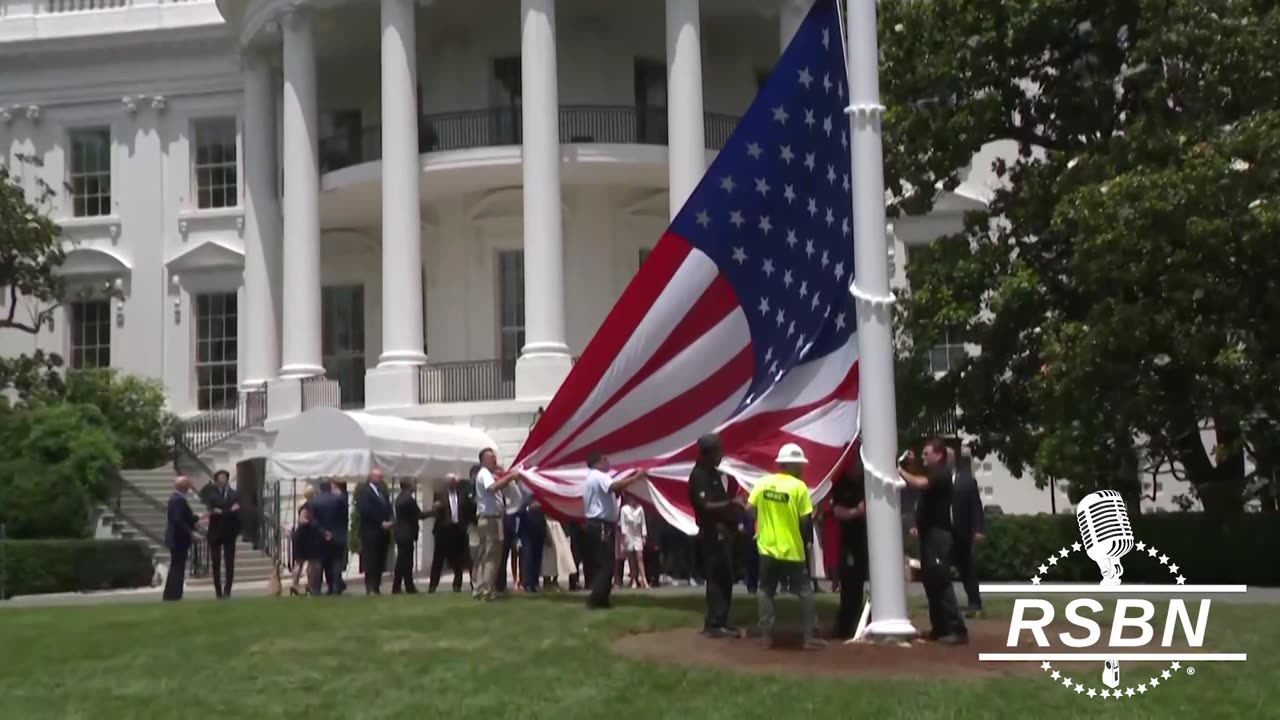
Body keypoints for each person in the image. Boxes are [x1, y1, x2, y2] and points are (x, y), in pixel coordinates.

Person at [748, 443, 825, 650]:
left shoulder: (763, 483)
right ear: (790, 465)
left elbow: (749, 508)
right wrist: (805, 539)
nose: (802, 468)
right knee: (804, 591)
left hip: (766, 547)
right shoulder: (798, 487)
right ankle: (809, 636)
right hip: (791, 548)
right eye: (799, 464)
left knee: (766, 591)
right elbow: (805, 520)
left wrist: (763, 524)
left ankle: (766, 636)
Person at [899, 438, 968, 644]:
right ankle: (939, 628)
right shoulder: (935, 473)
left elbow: (920, 482)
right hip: (929, 535)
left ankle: (956, 630)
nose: (923, 457)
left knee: (941, 580)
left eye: (926, 454)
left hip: (939, 536)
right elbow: (920, 477)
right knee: (930, 582)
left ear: (939, 455)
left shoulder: (943, 475)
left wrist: (899, 471)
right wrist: (910, 465)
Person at [687, 433, 743, 638]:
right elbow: (705, 505)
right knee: (718, 576)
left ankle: (721, 620)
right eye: (718, 451)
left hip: (724, 531)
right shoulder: (699, 475)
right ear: (708, 453)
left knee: (725, 576)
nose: (721, 455)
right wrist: (731, 503)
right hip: (713, 533)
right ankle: (714, 623)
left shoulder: (712, 473)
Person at [581, 451, 647, 609]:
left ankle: (602, 599)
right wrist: (636, 477)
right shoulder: (599, 476)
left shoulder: (591, 478)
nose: (608, 462)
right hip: (602, 524)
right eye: (605, 459)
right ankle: (595, 599)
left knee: (603, 563)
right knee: (606, 564)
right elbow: (612, 486)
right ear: (598, 462)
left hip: (596, 524)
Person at [830, 455, 869, 639]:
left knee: (861, 581)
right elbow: (837, 511)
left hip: (866, 538)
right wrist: (858, 511)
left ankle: (862, 619)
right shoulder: (841, 482)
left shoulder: (867, 480)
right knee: (848, 582)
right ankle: (845, 623)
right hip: (848, 539)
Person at [473, 448, 520, 600]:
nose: (495, 460)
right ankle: (487, 589)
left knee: (485, 555)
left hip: (486, 518)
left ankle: (480, 587)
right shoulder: (485, 473)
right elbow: (492, 488)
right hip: (491, 519)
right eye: (491, 458)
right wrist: (509, 478)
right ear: (483, 460)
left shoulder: (485, 474)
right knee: (492, 556)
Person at [949, 447, 986, 616]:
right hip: (942, 533)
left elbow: (975, 506)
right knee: (939, 570)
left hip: (962, 532)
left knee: (966, 569)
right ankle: (946, 605)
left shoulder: (967, 481)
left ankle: (974, 602)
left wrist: (978, 529)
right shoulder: (934, 480)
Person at [163, 476, 205, 602]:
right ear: (184, 487)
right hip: (178, 539)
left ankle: (173, 594)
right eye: (188, 486)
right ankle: (173, 595)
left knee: (177, 566)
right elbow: (178, 520)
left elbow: (183, 518)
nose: (189, 489)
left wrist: (197, 517)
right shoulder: (178, 500)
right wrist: (192, 533)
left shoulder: (176, 499)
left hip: (177, 538)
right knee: (177, 567)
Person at [201, 469, 241, 599]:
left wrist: (222, 512)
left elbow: (237, 511)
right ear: (216, 480)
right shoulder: (211, 495)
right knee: (216, 562)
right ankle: (218, 591)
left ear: (227, 479)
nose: (222, 480)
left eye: (224, 477)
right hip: (215, 532)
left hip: (229, 532)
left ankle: (227, 590)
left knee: (230, 562)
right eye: (220, 477)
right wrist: (228, 511)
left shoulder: (234, 494)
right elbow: (212, 511)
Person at [429, 473, 472, 593]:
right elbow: (435, 510)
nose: (454, 483)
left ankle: (457, 584)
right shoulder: (440, 494)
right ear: (447, 482)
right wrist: (436, 507)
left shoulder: (462, 494)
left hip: (458, 529)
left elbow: (467, 509)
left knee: (458, 558)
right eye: (452, 481)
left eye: (455, 481)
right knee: (438, 558)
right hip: (443, 530)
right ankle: (433, 585)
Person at [356, 468, 395, 594]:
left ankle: (377, 586)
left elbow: (388, 507)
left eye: (381, 476)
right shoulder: (365, 493)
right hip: (371, 532)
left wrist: (391, 520)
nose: (381, 479)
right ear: (372, 477)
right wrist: (380, 522)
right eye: (379, 477)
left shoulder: (382, 492)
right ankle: (370, 587)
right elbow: (366, 511)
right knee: (371, 560)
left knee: (380, 560)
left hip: (383, 533)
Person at [308, 481, 347, 595]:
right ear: (330, 487)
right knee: (335, 562)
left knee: (319, 563)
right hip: (336, 535)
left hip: (319, 537)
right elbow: (343, 518)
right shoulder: (339, 499)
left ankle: (316, 589)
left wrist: (323, 532)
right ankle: (334, 587)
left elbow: (312, 521)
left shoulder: (314, 501)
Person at [392, 479, 431, 594]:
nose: (415, 486)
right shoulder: (409, 500)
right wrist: (433, 511)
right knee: (407, 562)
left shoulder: (399, 498)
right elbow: (420, 515)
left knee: (401, 561)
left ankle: (399, 585)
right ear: (408, 486)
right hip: (407, 533)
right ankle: (407, 586)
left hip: (400, 533)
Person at [290, 485, 321, 595]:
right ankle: (308, 586)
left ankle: (295, 585)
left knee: (301, 562)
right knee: (310, 562)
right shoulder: (308, 506)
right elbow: (302, 520)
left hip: (303, 536)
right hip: (305, 537)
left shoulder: (304, 504)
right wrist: (313, 523)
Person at [619, 495, 649, 588]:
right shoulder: (624, 509)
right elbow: (623, 524)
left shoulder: (640, 508)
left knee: (640, 557)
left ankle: (644, 579)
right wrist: (624, 539)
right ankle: (634, 580)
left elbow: (643, 523)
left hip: (637, 535)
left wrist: (644, 536)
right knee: (631, 559)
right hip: (629, 535)